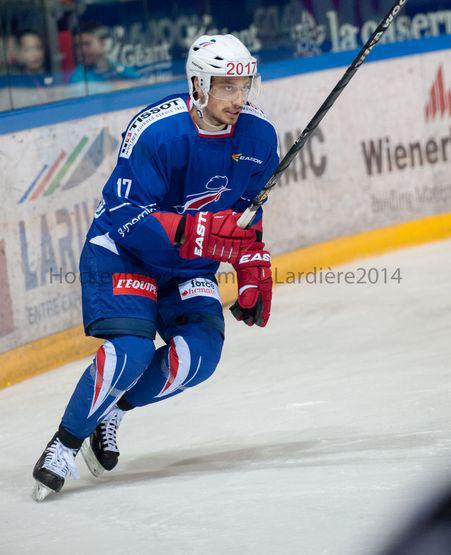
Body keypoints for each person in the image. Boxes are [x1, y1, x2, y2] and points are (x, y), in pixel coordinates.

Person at [32, 34, 279, 501]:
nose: (238, 98)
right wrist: (195, 234)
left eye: (244, 86)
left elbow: (248, 212)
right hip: (124, 254)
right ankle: (64, 444)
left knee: (199, 356)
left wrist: (250, 262)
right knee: (132, 350)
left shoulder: (260, 136)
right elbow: (126, 214)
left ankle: (112, 407)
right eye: (226, 87)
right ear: (197, 84)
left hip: (187, 268)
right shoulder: (156, 130)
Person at [69, 21, 139, 93]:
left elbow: (140, 81)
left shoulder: (121, 66)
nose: (81, 51)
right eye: (77, 46)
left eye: (87, 44)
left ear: (103, 43)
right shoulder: (78, 77)